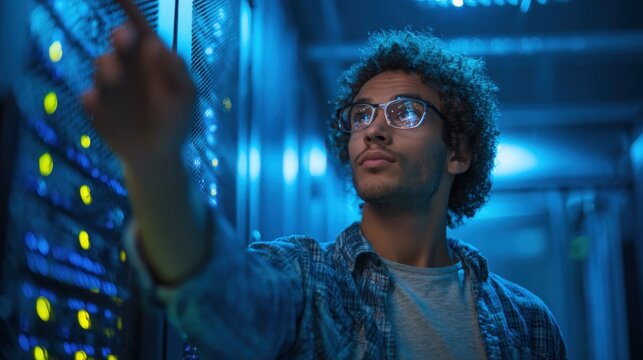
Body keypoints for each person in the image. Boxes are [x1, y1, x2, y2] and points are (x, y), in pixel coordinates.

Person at [83, 15, 567, 359]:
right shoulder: (303, 277)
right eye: (362, 115)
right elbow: (219, 293)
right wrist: (155, 164)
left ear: (457, 152)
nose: (374, 130)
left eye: (405, 111)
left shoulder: (527, 322)